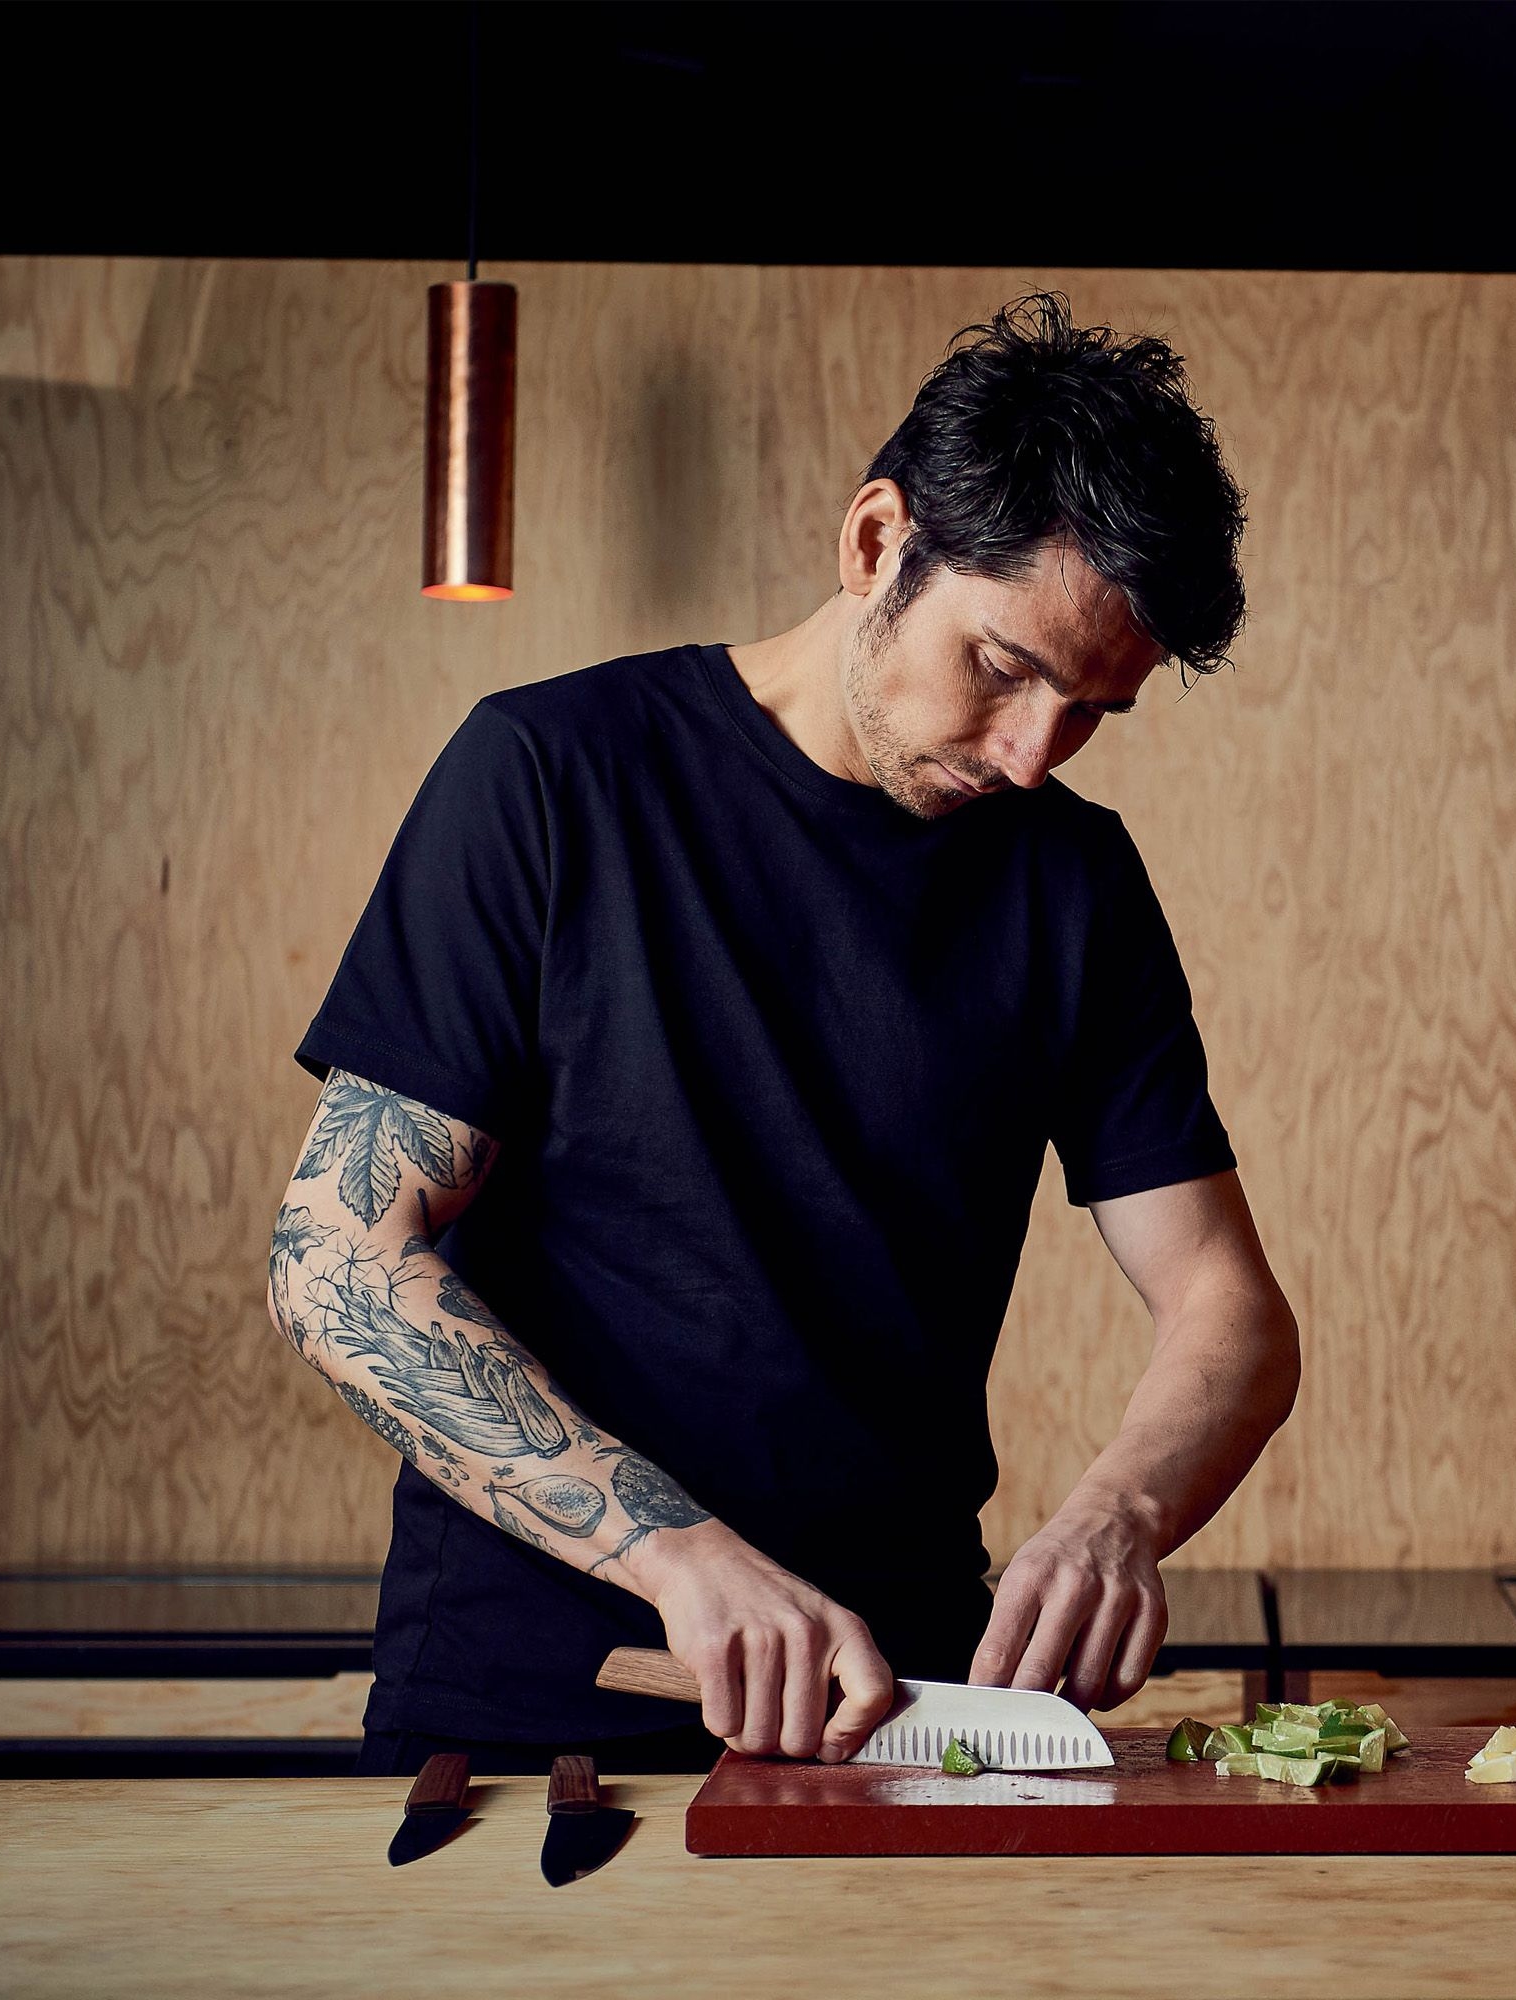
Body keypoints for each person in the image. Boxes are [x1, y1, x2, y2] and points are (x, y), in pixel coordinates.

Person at [267, 291, 1301, 1779]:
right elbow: (336, 1261)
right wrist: (681, 1556)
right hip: (535, 1710)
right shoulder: (547, 777)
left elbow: (1228, 1309)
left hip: (902, 1712)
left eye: (1091, 711)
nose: (1033, 755)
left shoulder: (1074, 883)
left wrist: (1119, 1513)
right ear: (877, 542)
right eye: (1006, 667)